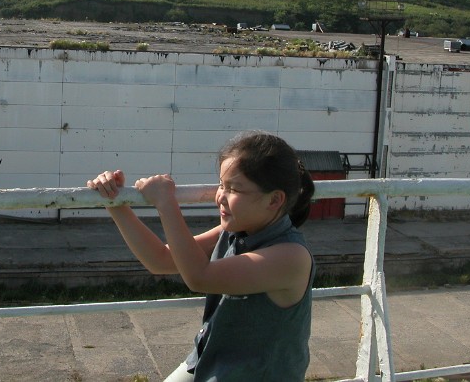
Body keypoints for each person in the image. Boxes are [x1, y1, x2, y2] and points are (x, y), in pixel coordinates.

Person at [87, 130, 315, 381]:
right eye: (221, 185)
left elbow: (199, 277)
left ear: (274, 200)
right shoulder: (236, 230)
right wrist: (115, 202)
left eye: (234, 189)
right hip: (212, 362)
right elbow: (160, 260)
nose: (220, 197)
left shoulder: (291, 257)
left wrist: (166, 202)